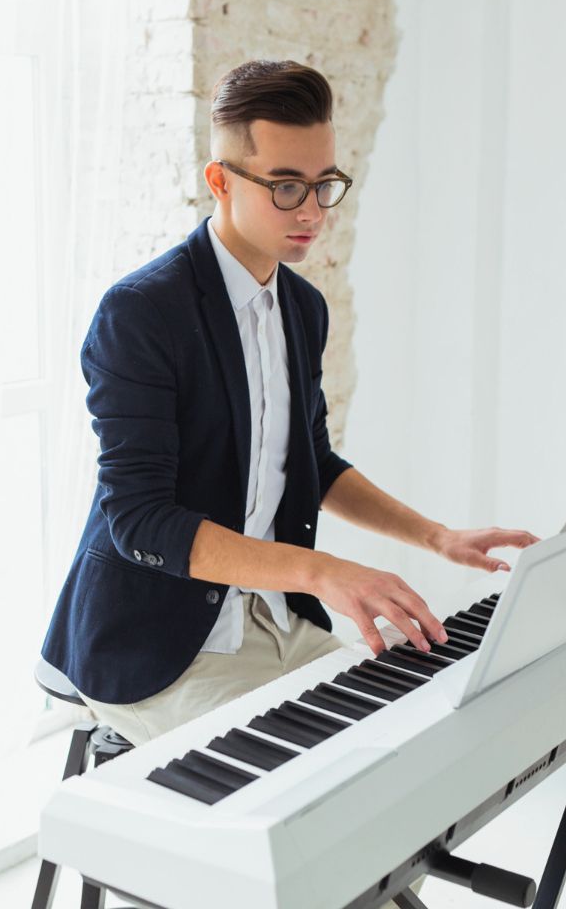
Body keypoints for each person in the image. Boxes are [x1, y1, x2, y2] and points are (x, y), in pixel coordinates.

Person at [39, 56, 538, 749]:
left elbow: (313, 462)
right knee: (324, 790)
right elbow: (141, 522)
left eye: (323, 184)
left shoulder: (301, 309)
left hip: (276, 620)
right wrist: (322, 570)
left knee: (416, 743)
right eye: (285, 186)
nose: (310, 211)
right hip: (152, 646)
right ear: (220, 180)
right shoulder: (140, 315)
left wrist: (437, 537)